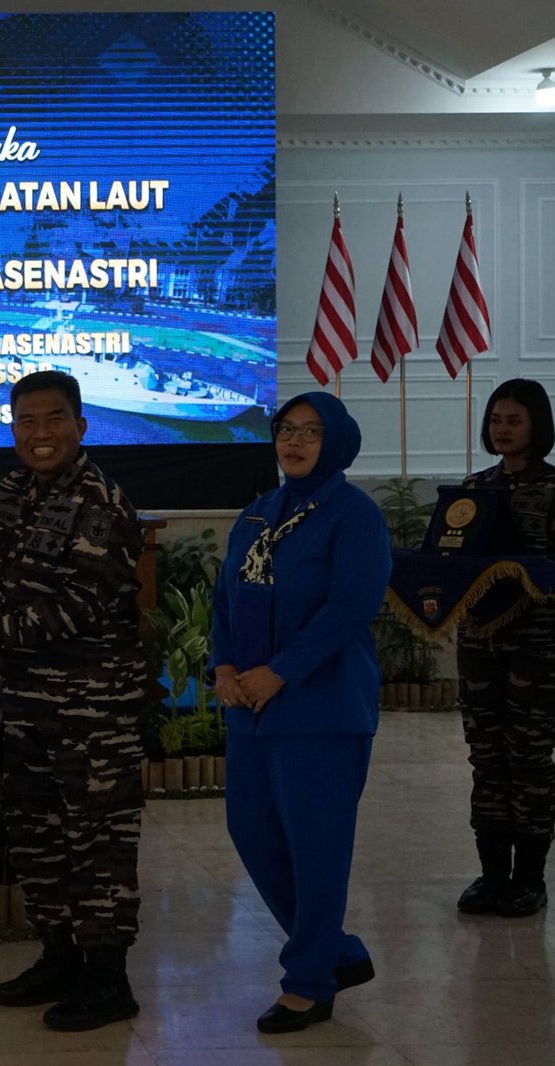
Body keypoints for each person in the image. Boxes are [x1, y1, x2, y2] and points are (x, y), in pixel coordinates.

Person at [0, 370, 147, 1032]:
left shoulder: (101, 502)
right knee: (38, 837)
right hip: (26, 705)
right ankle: (59, 957)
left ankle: (108, 979)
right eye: (26, 421)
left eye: (54, 419)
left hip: (92, 711)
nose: (40, 433)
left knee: (98, 842)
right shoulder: (13, 490)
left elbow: (78, 607)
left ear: (80, 425)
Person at [209, 391, 390, 1034]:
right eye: (287, 429)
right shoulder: (258, 513)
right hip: (251, 707)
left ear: (335, 441)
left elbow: (349, 609)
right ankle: (335, 950)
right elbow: (225, 598)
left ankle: (309, 982)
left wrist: (280, 671)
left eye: (311, 432)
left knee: (316, 850)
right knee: (251, 832)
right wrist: (224, 666)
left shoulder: (354, 515)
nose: (294, 441)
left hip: (321, 709)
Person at [454, 379, 555, 918]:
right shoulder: (473, 489)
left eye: (514, 421)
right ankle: (491, 875)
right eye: (495, 420)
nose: (502, 430)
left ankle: (529, 878)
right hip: (479, 641)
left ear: (537, 426)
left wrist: (521, 567)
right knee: (486, 758)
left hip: (537, 646)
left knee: (528, 759)